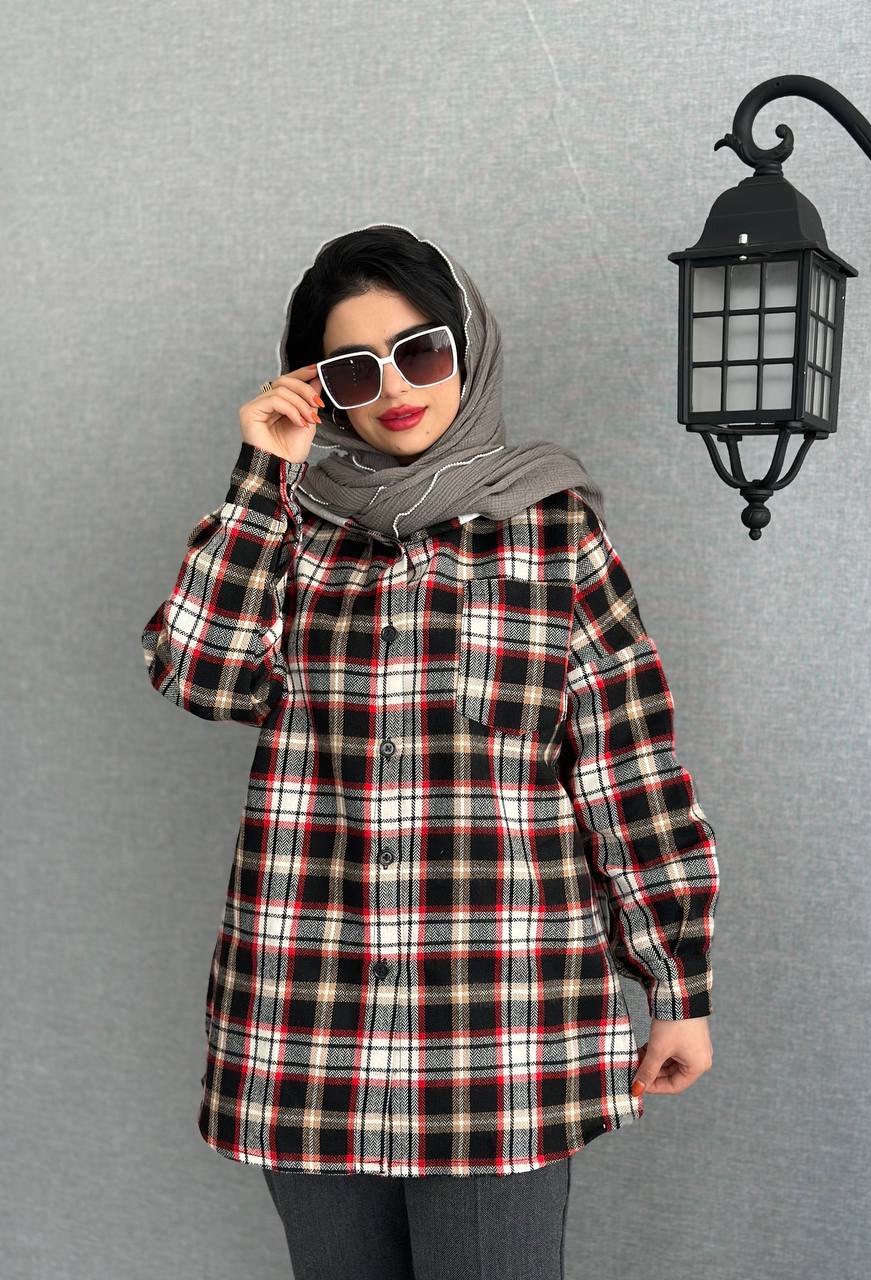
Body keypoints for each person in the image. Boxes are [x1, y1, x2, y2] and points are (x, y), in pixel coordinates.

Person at [140, 222, 719, 1280]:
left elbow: (626, 770)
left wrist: (675, 983)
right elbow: (201, 675)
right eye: (353, 368)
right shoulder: (288, 534)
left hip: (504, 1025)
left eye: (420, 350)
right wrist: (262, 475)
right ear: (319, 388)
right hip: (307, 1021)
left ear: (468, 346)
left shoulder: (555, 532)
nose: (396, 387)